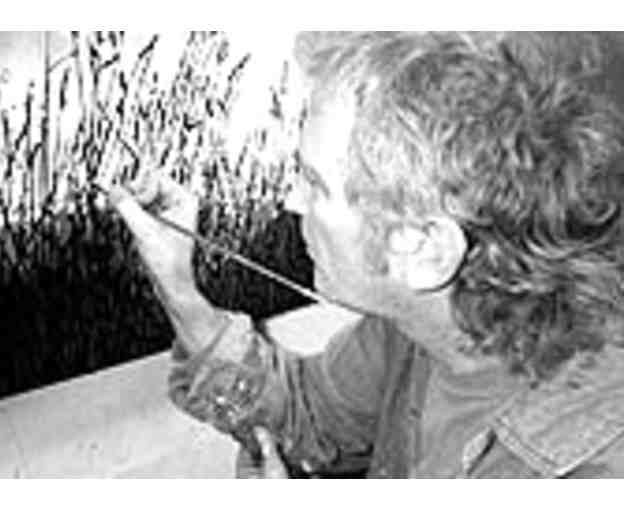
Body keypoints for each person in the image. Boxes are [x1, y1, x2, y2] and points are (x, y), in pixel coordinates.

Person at [110, 32, 624, 478]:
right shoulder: (425, 323)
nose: (291, 201)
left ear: (424, 249)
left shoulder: (591, 472)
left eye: (315, 185)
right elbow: (306, 416)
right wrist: (178, 286)